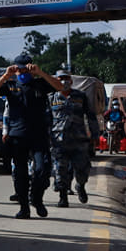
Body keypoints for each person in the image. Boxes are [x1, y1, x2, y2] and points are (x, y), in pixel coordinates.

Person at [0, 55, 63, 219]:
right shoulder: (11, 85)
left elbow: (61, 87)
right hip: (17, 136)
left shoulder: (40, 84)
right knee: (20, 174)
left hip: (39, 135)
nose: (22, 72)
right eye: (19, 69)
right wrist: (6, 76)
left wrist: (40, 73)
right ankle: (24, 208)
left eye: (25, 68)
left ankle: (36, 198)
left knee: (42, 169)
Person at [49, 69, 98, 207]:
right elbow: (45, 119)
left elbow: (91, 116)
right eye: (60, 79)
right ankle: (63, 197)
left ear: (71, 81)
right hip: (58, 141)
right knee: (60, 170)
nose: (64, 81)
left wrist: (95, 136)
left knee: (83, 169)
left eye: (66, 78)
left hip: (79, 140)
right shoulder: (51, 98)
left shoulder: (81, 96)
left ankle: (80, 186)